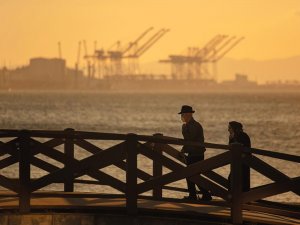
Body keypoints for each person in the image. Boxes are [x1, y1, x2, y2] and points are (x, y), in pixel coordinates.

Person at [178, 105, 212, 201]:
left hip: (197, 154)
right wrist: (183, 150)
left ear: (189, 115)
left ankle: (204, 195)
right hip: (192, 153)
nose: (182, 116)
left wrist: (184, 128)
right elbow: (187, 142)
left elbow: (190, 139)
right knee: (190, 175)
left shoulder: (194, 125)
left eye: (183, 114)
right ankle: (194, 195)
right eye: (182, 114)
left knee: (193, 176)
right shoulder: (187, 125)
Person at [227, 121, 251, 192]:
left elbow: (244, 148)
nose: (228, 130)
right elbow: (230, 148)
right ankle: (233, 196)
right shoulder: (233, 136)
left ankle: (242, 198)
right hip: (235, 162)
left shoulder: (243, 135)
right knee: (232, 179)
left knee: (242, 180)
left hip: (243, 162)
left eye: (229, 128)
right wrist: (230, 139)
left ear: (234, 128)